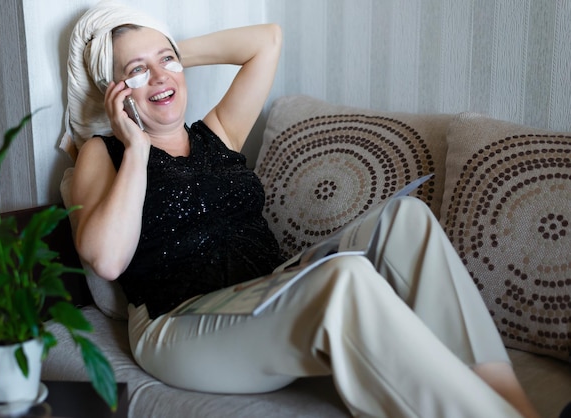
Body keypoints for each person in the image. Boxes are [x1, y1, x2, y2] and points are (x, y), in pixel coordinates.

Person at [64, 2, 542, 417]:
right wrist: (137, 148)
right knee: (347, 279)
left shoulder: (218, 133)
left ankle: (511, 403)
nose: (162, 77)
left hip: (267, 292)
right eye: (137, 71)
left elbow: (266, 41)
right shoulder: (104, 154)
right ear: (115, 91)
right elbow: (106, 259)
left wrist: (167, 54)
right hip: (180, 325)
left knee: (408, 219)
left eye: (167, 61)